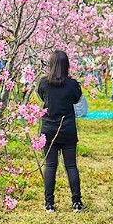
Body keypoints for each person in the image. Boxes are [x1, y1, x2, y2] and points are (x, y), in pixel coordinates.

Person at [37, 50, 85, 212]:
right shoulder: (72, 84)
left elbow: (42, 97)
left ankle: (49, 202)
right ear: (67, 65)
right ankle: (76, 201)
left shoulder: (43, 83)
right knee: (71, 166)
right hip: (67, 129)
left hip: (49, 129)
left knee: (50, 166)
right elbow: (76, 99)